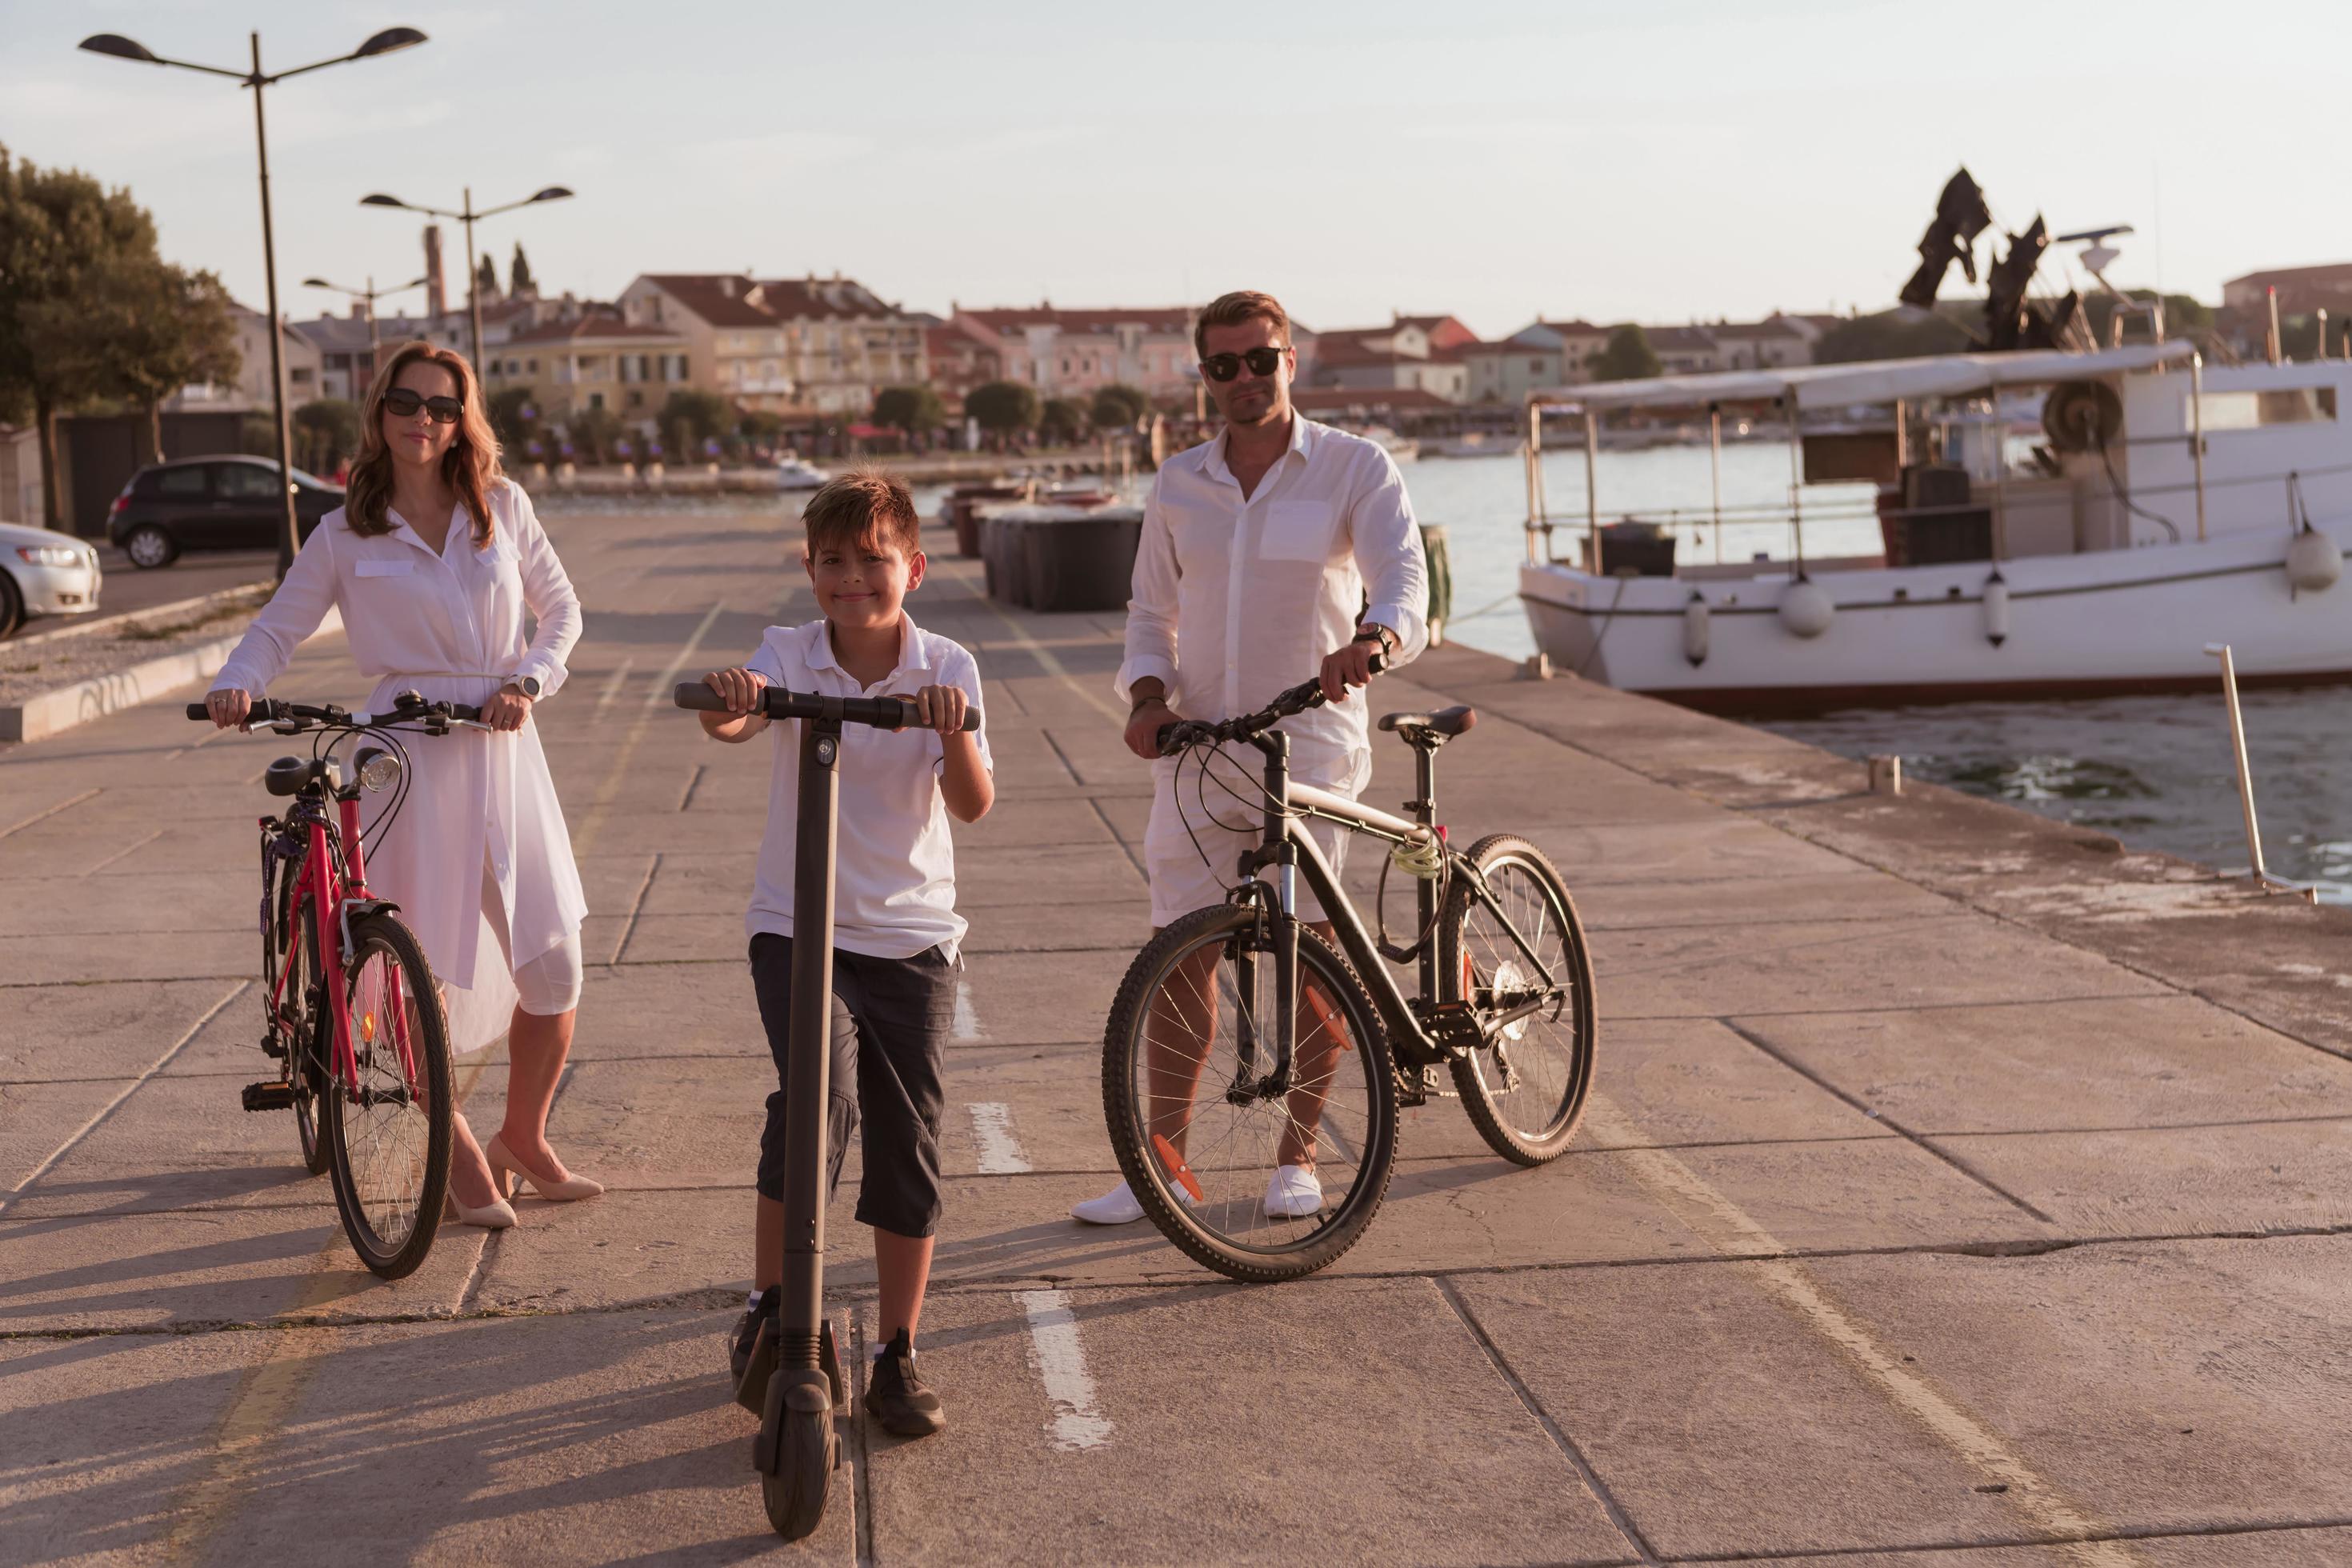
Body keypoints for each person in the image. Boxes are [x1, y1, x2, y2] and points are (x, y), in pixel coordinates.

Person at [206, 341, 596, 1230]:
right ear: (379, 412)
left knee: (555, 964)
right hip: (405, 762)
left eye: (445, 406)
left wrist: (528, 681)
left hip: (502, 748)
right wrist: (238, 680)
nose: (426, 419)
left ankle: (524, 1137)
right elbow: (278, 627)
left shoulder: (501, 507)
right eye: (408, 403)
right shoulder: (346, 531)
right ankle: (458, 1152)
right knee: (417, 971)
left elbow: (563, 612)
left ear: (466, 420)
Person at [1072, 289, 1428, 1226]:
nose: (1241, 379)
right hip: (1199, 748)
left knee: (1309, 954)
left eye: (1258, 359)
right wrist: (1147, 696)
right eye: (1221, 365)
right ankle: (1165, 1167)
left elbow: (1403, 579)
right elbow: (1152, 612)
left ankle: (1298, 1152)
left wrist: (1375, 640)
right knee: (1177, 955)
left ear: (1289, 360)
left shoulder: (1354, 467)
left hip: (1308, 739)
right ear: (1203, 375)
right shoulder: (1179, 481)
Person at [699, 470, 993, 1438]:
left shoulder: (946, 660)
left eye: (874, 560)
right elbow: (731, 718)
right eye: (834, 561)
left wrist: (950, 731)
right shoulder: (788, 650)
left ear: (913, 565)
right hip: (798, 923)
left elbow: (974, 803)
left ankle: (899, 1348)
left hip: (912, 936)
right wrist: (737, 696)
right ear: (809, 568)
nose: (854, 579)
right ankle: (776, 1309)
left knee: (908, 1135)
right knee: (817, 1101)